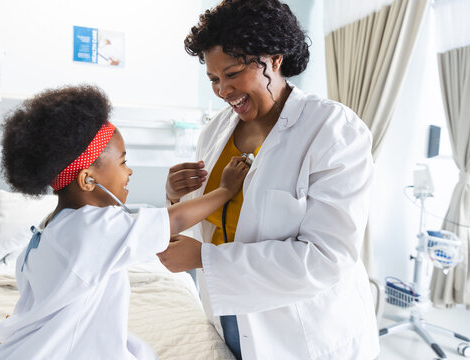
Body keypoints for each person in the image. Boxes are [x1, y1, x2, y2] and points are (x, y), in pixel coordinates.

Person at [157, 0, 379, 359]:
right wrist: (173, 197)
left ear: (274, 59)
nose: (222, 91)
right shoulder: (214, 133)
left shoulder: (333, 130)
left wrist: (205, 260)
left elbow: (326, 258)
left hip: (304, 332)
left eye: (232, 74)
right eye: (213, 79)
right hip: (230, 315)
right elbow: (207, 225)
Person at [0, 84, 249, 359]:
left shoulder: (46, 231)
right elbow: (174, 221)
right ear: (88, 179)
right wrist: (225, 191)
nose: (130, 171)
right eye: (123, 162)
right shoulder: (94, 228)